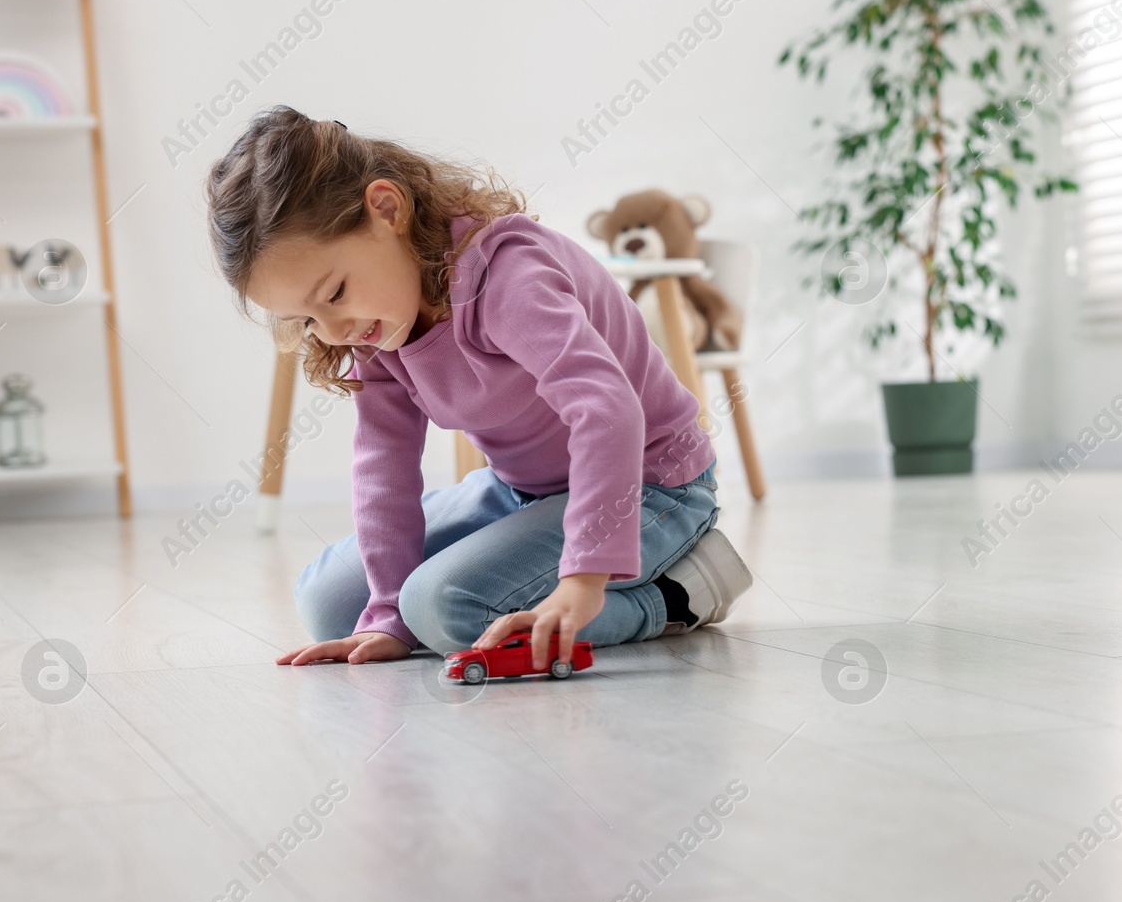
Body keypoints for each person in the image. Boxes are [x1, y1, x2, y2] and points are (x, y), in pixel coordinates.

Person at [204, 107, 752, 671]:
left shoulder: (507, 277)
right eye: (308, 320)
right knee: (331, 604)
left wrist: (584, 577)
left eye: (336, 292)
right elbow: (382, 463)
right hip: (522, 491)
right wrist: (388, 610)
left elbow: (607, 410)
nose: (335, 331)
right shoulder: (376, 329)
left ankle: (671, 598)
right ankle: (466, 597)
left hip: (652, 487)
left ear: (386, 210)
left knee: (444, 608)